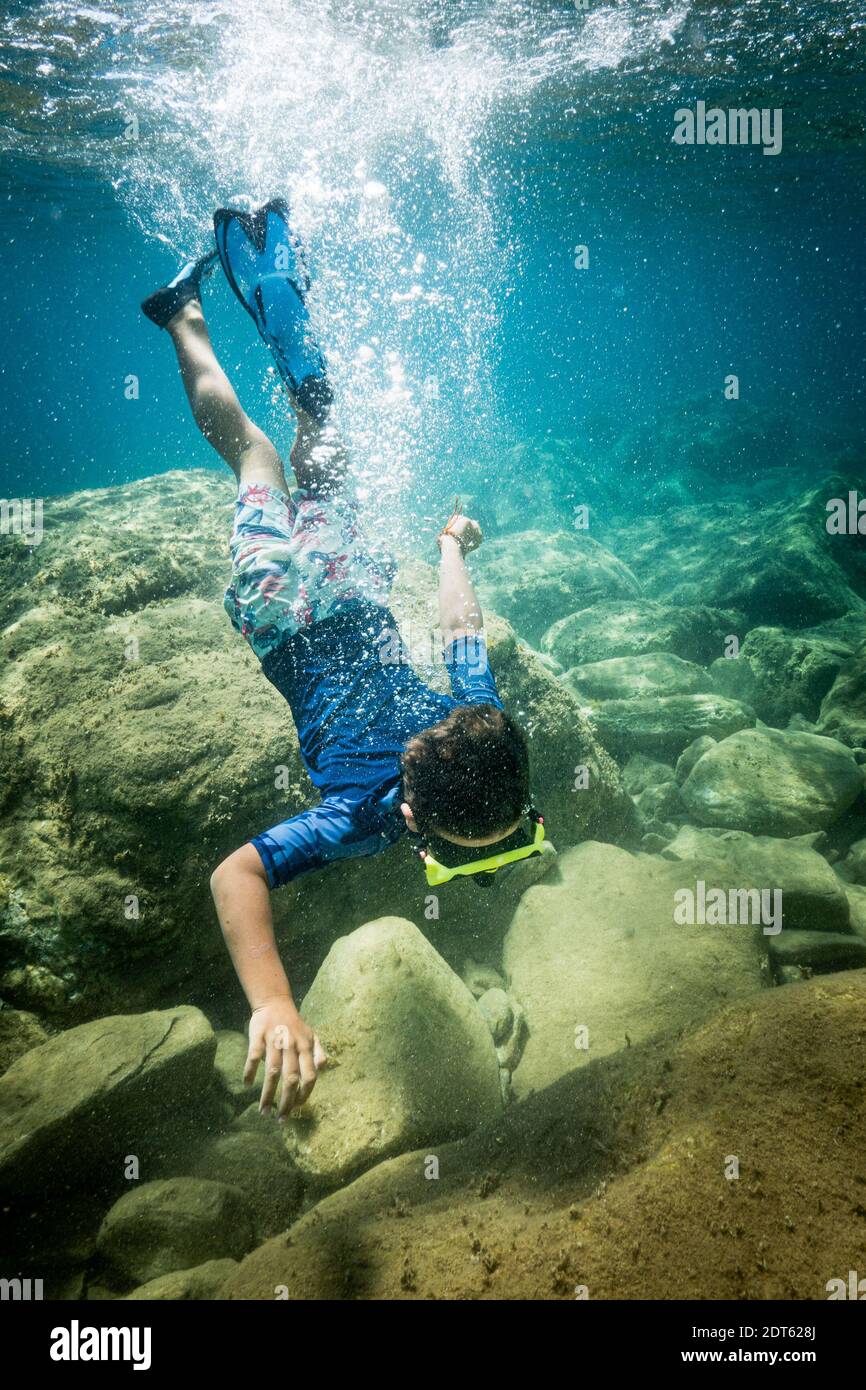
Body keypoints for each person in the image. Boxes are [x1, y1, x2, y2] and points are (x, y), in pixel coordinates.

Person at [141, 200, 536, 1120]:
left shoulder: (473, 715)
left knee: (306, 434)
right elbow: (235, 873)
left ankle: (267, 295)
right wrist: (273, 1002)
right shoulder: (362, 819)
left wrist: (449, 544)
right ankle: (185, 318)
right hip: (280, 609)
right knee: (253, 457)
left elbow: (461, 632)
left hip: (341, 583)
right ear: (408, 815)